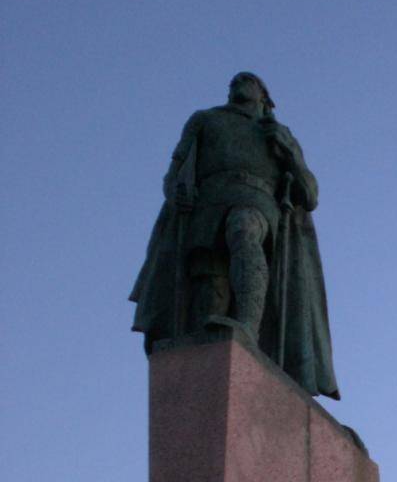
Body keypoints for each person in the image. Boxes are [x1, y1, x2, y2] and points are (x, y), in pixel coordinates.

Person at [130, 72, 339, 400]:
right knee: (210, 282)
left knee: (243, 230)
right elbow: (176, 168)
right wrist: (176, 189)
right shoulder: (205, 119)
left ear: (265, 97)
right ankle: (209, 361)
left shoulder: (278, 134)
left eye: (249, 80)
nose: (239, 81)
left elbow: (309, 194)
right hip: (209, 201)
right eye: (235, 81)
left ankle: (247, 326)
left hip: (256, 198)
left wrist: (289, 153)